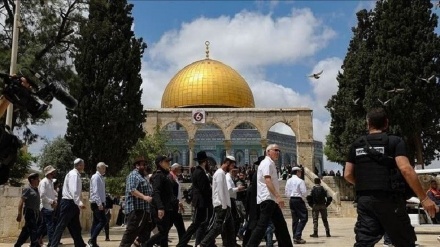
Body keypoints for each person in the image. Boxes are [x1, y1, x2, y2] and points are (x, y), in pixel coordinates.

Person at [344, 107, 437, 247]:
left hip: (365, 201)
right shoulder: (394, 141)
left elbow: (348, 174)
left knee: (363, 242)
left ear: (368, 123)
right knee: (404, 241)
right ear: (386, 123)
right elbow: (406, 169)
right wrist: (424, 198)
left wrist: (365, 185)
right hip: (390, 200)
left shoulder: (356, 145)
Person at [246, 144, 293, 247]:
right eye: (275, 150)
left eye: (279, 151)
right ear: (268, 152)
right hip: (268, 199)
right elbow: (267, 181)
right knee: (261, 227)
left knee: (281, 226)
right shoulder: (267, 163)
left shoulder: (270, 163)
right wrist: (278, 196)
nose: (278, 152)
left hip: (271, 200)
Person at [177, 151, 213, 247]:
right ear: (205, 162)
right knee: (196, 224)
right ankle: (182, 243)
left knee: (202, 223)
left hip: (201, 202)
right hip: (201, 202)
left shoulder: (197, 171)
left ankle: (206, 243)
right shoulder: (200, 172)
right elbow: (203, 188)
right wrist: (211, 189)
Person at [50, 158, 89, 247]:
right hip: (69, 203)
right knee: (61, 225)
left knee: (76, 227)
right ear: (79, 165)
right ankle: (53, 245)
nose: (84, 166)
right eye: (83, 165)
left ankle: (80, 244)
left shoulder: (74, 174)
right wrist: (79, 202)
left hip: (72, 203)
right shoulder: (74, 175)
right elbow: (73, 190)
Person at [199, 155, 237, 247]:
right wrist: (224, 206)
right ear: (227, 163)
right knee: (217, 228)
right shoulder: (220, 173)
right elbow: (220, 190)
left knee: (230, 230)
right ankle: (203, 244)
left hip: (225, 205)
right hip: (221, 205)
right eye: (232, 166)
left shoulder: (222, 173)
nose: (232, 168)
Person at [119, 156, 154, 247]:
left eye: (145, 164)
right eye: (143, 165)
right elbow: (132, 190)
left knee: (145, 234)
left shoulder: (143, 177)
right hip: (136, 210)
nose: (145, 166)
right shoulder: (133, 175)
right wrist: (144, 197)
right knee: (131, 233)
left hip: (144, 210)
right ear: (137, 166)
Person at [144, 155, 174, 247]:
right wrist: (160, 207)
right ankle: (146, 245)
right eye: (166, 162)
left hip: (166, 207)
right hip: (160, 208)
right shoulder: (158, 176)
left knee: (164, 233)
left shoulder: (164, 175)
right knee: (162, 232)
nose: (169, 163)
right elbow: (156, 193)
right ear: (160, 163)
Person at [242, 155, 265, 246]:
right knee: (253, 226)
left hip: (254, 203)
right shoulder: (258, 174)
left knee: (253, 225)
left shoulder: (258, 173)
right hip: (255, 204)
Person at [15, 173, 41, 247]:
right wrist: (19, 214)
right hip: (29, 212)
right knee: (33, 230)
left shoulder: (36, 189)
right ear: (32, 180)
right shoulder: (27, 189)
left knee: (26, 231)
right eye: (37, 179)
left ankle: (17, 245)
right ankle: (35, 245)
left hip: (36, 212)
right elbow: (21, 202)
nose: (39, 181)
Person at [285, 166, 308, 244]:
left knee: (295, 219)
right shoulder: (300, 181)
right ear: (297, 172)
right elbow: (304, 192)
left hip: (292, 200)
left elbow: (287, 192)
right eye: (300, 172)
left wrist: (291, 198)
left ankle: (295, 236)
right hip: (298, 199)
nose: (301, 173)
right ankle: (297, 236)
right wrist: (302, 198)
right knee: (304, 218)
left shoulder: (288, 181)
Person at [88, 162, 108, 247]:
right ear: (100, 168)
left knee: (95, 223)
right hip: (96, 203)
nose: (105, 169)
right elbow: (95, 192)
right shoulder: (96, 177)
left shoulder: (100, 177)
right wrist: (100, 204)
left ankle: (94, 243)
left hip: (99, 202)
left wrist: (104, 203)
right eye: (104, 168)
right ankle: (91, 240)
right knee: (103, 221)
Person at [38, 165, 57, 246]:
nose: (54, 173)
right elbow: (42, 195)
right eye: (52, 172)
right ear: (49, 173)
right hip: (46, 207)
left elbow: (51, 194)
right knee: (50, 226)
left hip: (50, 207)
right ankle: (52, 243)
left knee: (44, 226)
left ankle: (35, 240)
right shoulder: (44, 182)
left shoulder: (51, 182)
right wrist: (51, 201)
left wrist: (54, 202)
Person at [226, 166, 245, 240]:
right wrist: (238, 189)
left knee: (236, 220)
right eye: (235, 172)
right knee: (235, 220)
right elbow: (229, 190)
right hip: (231, 201)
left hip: (233, 200)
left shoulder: (231, 178)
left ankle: (232, 239)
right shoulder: (228, 178)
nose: (236, 173)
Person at [169, 163, 187, 241]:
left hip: (176, 204)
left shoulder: (175, 177)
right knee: (166, 227)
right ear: (175, 169)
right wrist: (178, 202)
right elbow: (171, 193)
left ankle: (183, 243)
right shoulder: (170, 177)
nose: (180, 170)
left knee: (180, 225)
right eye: (179, 168)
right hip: (172, 205)